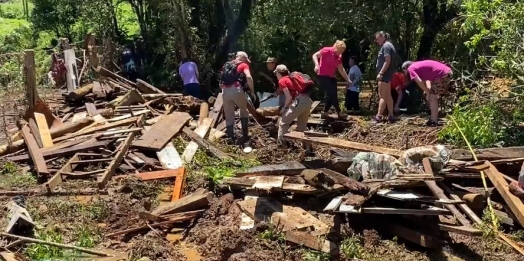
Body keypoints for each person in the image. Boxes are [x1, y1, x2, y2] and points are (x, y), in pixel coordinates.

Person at [275, 65, 313, 152]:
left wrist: (284, 109)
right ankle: (308, 146)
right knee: (302, 126)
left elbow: (288, 97)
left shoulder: (282, 80)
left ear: (278, 73)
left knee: (283, 122)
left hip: (300, 101)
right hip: (307, 101)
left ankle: (282, 146)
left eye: (276, 73)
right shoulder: (291, 78)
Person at [401, 60, 452, 126]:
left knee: (433, 97)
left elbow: (419, 81)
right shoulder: (418, 66)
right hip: (446, 72)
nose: (405, 74)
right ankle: (433, 119)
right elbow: (427, 80)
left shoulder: (411, 68)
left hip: (442, 74)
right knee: (432, 96)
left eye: (404, 71)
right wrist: (428, 92)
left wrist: (428, 93)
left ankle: (434, 121)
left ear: (406, 68)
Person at [219, 51, 255, 142]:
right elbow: (249, 77)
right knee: (244, 111)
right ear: (242, 57)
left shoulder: (226, 64)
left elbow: (221, 79)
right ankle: (245, 135)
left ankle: (230, 138)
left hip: (225, 91)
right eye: (246, 59)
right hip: (236, 89)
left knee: (229, 115)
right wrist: (252, 91)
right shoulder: (243, 65)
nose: (246, 62)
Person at [312, 40, 351, 119]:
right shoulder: (327, 50)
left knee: (332, 95)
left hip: (331, 76)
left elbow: (341, 69)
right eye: (339, 51)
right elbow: (315, 55)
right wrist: (316, 65)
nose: (340, 53)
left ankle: (324, 112)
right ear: (336, 48)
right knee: (332, 93)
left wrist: (348, 79)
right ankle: (339, 112)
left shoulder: (339, 56)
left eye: (342, 52)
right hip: (322, 76)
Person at [373, 31, 397, 123]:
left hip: (385, 75)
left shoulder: (386, 46)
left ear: (382, 36)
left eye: (377, 38)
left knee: (382, 95)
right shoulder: (389, 45)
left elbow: (387, 61)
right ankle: (390, 115)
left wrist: (381, 73)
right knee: (387, 95)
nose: (376, 41)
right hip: (388, 75)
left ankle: (378, 116)